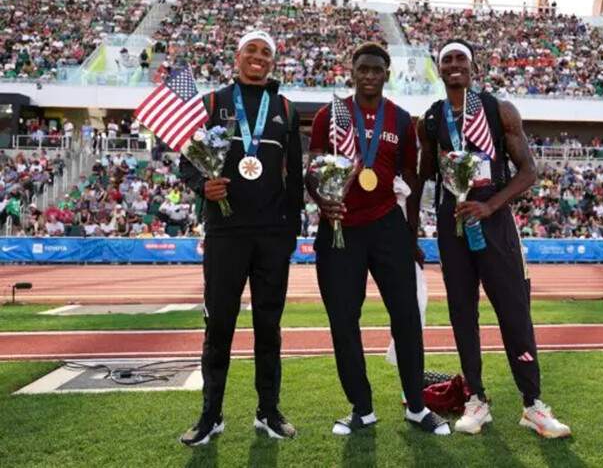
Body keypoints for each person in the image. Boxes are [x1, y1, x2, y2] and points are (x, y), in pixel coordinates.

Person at [412, 39, 571, 438]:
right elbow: (420, 177)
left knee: (514, 311)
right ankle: (476, 399)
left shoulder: (499, 109)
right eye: (446, 60)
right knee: (462, 312)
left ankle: (533, 404)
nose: (453, 65)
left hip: (495, 219)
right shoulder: (430, 120)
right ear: (439, 67)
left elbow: (528, 170)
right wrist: (409, 229)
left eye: (460, 59)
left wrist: (491, 205)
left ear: (472, 65)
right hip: (453, 224)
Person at [308, 43, 450, 436]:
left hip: (388, 226)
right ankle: (362, 408)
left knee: (406, 317)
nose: (369, 75)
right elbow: (312, 170)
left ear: (387, 74)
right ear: (351, 72)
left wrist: (411, 236)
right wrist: (323, 203)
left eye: (376, 69)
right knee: (343, 321)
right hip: (339, 229)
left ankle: (417, 407)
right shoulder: (329, 115)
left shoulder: (403, 120)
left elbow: (410, 180)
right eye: (362, 69)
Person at [179, 30, 304, 446]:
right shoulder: (212, 103)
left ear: (272, 62)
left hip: (272, 237)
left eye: (266, 52)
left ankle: (268, 411)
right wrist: (201, 186)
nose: (258, 57)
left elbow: (296, 179)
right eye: (251, 50)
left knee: (269, 327)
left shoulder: (285, 108)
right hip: (225, 233)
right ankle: (210, 415)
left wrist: (290, 233)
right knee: (219, 327)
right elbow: (187, 161)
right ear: (237, 57)